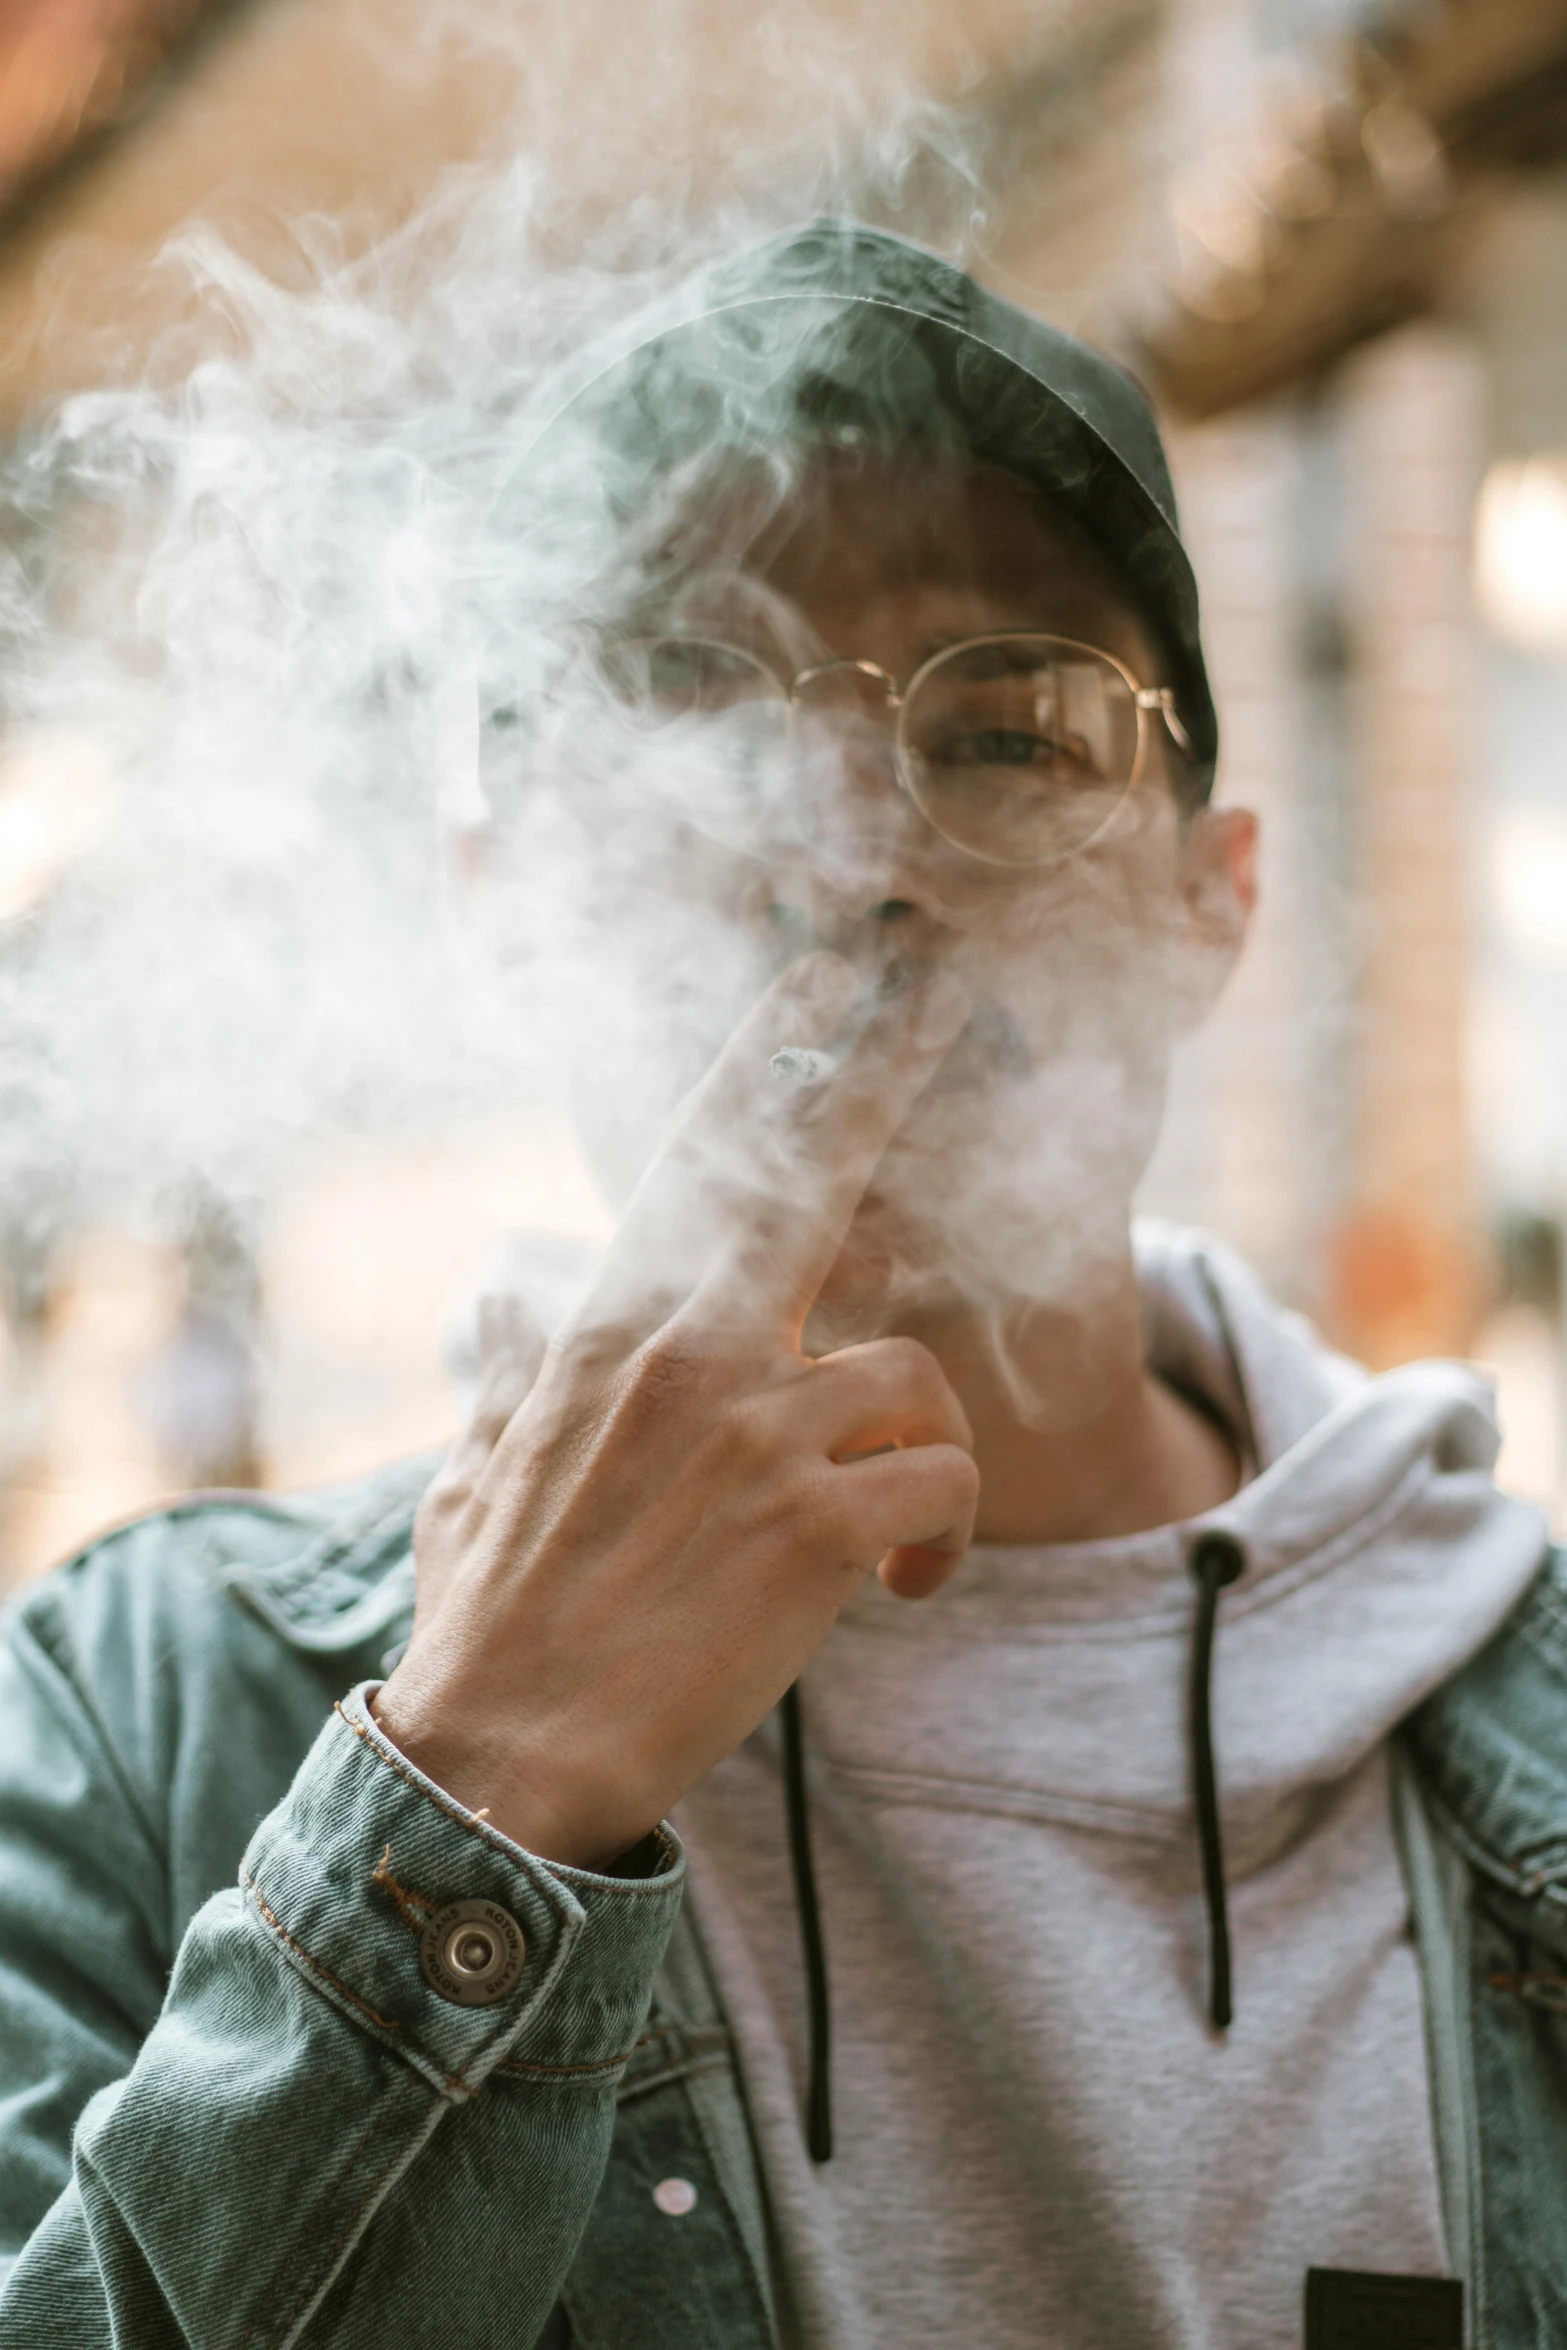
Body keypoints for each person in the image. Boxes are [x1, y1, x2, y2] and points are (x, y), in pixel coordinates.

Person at [1, 220, 1565, 2350]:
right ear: (502, 904)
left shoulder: (1520, 1724)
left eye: (1008, 730)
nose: (851, 854)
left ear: (1215, 905)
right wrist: (471, 1788)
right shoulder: (131, 1718)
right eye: (691, 703)